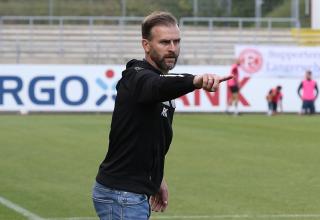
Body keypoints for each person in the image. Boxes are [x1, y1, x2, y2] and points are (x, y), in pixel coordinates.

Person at [91, 11, 232, 220]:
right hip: (123, 195)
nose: (172, 49)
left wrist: (156, 178)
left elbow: (149, 137)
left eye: (176, 42)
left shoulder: (158, 81)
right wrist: (195, 81)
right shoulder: (137, 76)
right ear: (146, 45)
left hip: (132, 191)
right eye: (165, 42)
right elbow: (155, 86)